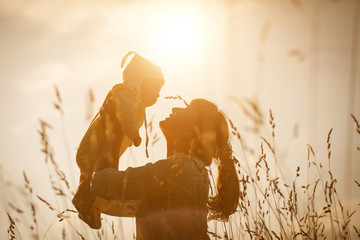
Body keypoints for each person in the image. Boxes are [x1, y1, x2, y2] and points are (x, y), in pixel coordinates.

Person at [91, 99, 240, 239]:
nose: (175, 108)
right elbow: (105, 196)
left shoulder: (182, 169)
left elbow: (102, 184)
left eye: (188, 109)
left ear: (192, 130)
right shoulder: (188, 170)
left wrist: (113, 130)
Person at [72, 51, 165, 229]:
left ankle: (91, 207)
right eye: (155, 88)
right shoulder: (124, 93)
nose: (158, 95)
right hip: (97, 144)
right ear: (140, 81)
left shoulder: (135, 103)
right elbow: (126, 115)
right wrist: (134, 134)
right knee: (102, 176)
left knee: (100, 177)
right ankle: (85, 201)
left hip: (103, 146)